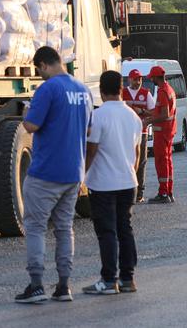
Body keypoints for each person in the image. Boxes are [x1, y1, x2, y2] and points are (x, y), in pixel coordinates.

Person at [14, 46, 92, 304]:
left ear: (44, 65)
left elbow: (32, 125)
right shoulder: (83, 90)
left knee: (35, 227)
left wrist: (26, 114)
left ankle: (36, 285)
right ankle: (64, 285)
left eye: (39, 70)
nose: (40, 75)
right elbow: (87, 128)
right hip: (73, 172)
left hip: (46, 172)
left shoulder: (47, 89)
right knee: (64, 228)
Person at [83, 70, 144, 296]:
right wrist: (132, 174)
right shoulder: (133, 117)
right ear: (121, 89)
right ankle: (128, 279)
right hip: (128, 181)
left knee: (107, 231)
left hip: (103, 184)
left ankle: (109, 280)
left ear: (101, 90)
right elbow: (137, 153)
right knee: (125, 229)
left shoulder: (98, 116)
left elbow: (92, 150)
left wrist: (82, 175)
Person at [122, 68, 154, 203]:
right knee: (126, 161)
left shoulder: (146, 93)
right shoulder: (123, 93)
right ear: (129, 79)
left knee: (141, 162)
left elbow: (153, 113)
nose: (138, 81)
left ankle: (139, 193)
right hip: (125, 132)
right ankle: (126, 191)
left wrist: (140, 110)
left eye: (140, 79)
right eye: (135, 79)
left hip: (142, 132)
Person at [146, 65, 177, 204]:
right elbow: (161, 112)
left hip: (162, 131)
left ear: (156, 77)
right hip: (168, 131)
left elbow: (164, 114)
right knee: (167, 161)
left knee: (161, 161)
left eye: (151, 77)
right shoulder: (169, 89)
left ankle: (163, 193)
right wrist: (146, 113)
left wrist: (148, 121)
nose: (151, 79)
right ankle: (168, 191)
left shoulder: (162, 92)